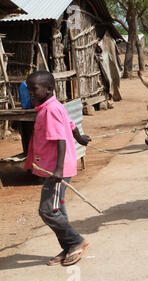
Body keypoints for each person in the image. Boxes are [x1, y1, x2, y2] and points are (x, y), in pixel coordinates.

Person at [23, 71, 91, 266]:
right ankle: (69, 246)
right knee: (57, 208)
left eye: (34, 89)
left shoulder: (50, 110)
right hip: (54, 168)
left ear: (49, 89)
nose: (31, 94)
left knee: (47, 210)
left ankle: (76, 242)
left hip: (56, 169)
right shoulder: (52, 106)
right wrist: (80, 138)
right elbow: (70, 126)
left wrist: (58, 170)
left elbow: (60, 139)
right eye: (29, 89)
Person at [18, 81, 34, 156]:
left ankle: (28, 152)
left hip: (26, 110)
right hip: (29, 110)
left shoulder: (23, 85)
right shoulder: (24, 86)